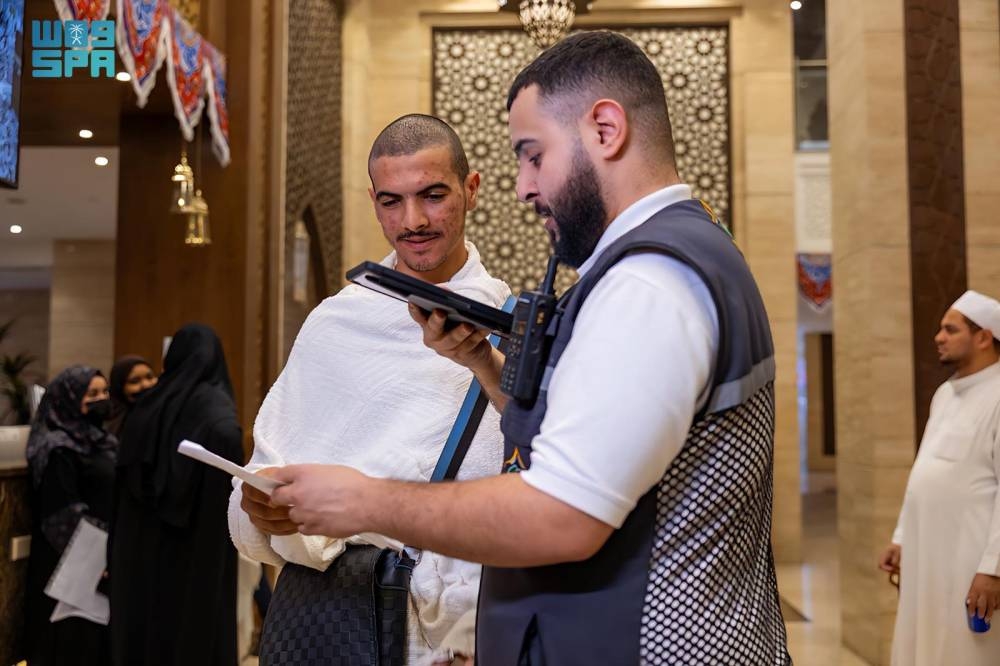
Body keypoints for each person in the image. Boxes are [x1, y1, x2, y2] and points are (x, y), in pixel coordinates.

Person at [264, 31, 791, 665]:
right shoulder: (688, 250)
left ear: (605, 130)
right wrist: (482, 363)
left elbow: (562, 513)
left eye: (533, 155)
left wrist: (361, 501)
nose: (524, 186)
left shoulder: (648, 283)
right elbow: (591, 445)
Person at [230, 114, 510, 664]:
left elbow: (534, 493)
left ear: (471, 189)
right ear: (373, 201)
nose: (413, 221)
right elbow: (267, 469)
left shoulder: (508, 326)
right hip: (334, 622)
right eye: (391, 201)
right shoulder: (334, 322)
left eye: (433, 195)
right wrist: (261, 509)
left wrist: (477, 631)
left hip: (458, 635)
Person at [110, 323, 243, 666]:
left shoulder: (147, 406)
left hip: (140, 547)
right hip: (198, 549)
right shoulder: (216, 409)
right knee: (194, 627)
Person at [879, 290, 1000, 665]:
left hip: (970, 560)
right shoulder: (945, 394)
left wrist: (992, 569)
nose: (938, 337)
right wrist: (902, 537)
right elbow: (923, 471)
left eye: (951, 329)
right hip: (926, 554)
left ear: (984, 337)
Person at [24, 365, 116, 665]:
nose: (101, 399)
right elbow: (61, 513)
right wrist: (98, 557)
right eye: (92, 393)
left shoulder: (102, 440)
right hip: (69, 563)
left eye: (104, 391)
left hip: (102, 558)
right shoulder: (57, 447)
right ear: (69, 398)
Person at [105, 355, 158, 436]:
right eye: (135, 381)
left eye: (149, 377)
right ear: (120, 388)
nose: (146, 385)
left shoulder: (166, 413)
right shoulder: (114, 425)